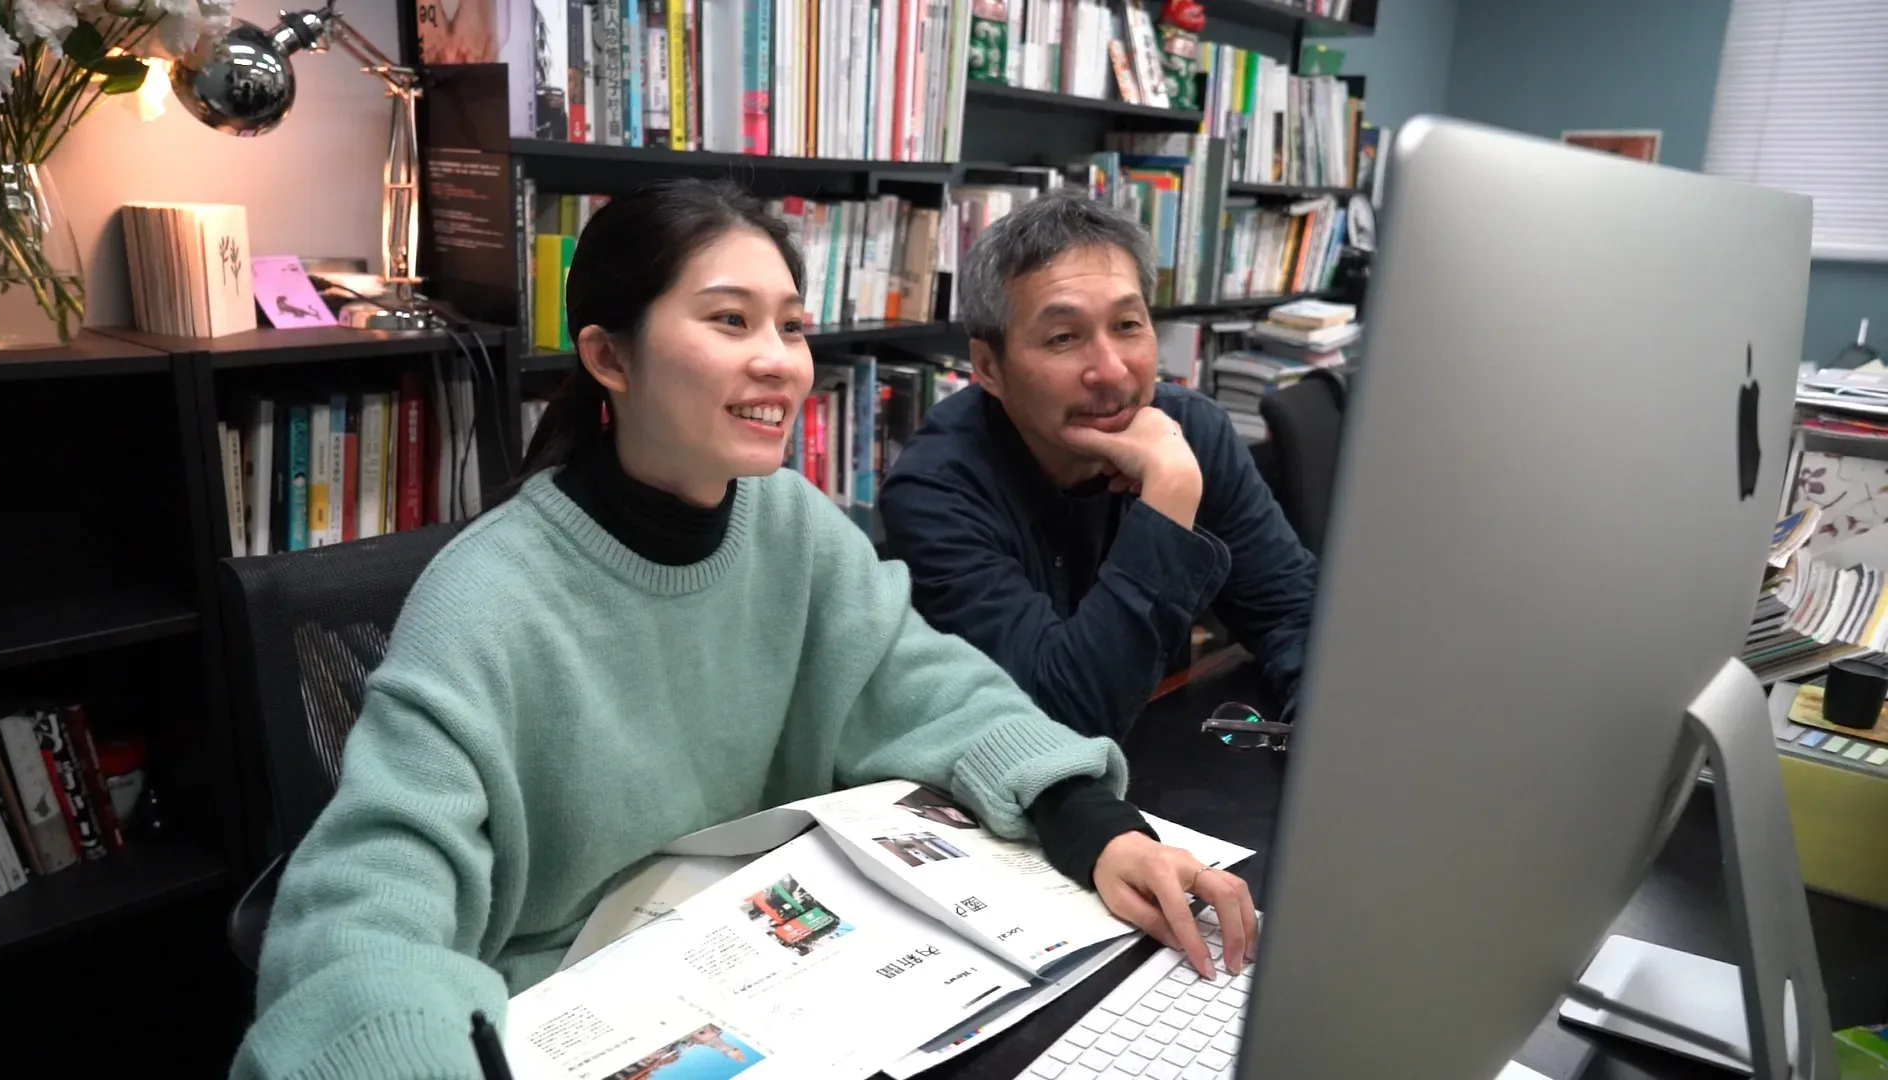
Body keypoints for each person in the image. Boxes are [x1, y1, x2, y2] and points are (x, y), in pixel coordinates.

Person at [231, 179, 1256, 1079]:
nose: (779, 362)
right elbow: (367, 903)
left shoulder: (790, 523)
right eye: (730, 320)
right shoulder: (485, 599)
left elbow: (932, 688)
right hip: (560, 1015)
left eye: (792, 327)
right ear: (609, 357)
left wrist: (1089, 820)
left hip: (764, 973)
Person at [879, 190, 1318, 742]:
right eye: (1064, 337)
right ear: (988, 367)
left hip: (1165, 755)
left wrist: (1325, 737)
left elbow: (1296, 617)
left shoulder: (1192, 431)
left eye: (1128, 325)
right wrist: (1169, 497)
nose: (1111, 371)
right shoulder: (934, 491)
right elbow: (1060, 718)